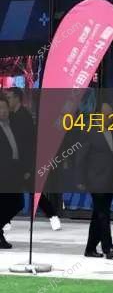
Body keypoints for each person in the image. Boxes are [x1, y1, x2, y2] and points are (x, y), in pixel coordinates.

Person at [75, 101, 113, 259]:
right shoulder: (90, 131)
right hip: (96, 179)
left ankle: (90, 248)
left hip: (110, 179)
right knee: (103, 213)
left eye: (111, 115)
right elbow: (81, 157)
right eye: (107, 115)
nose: (110, 118)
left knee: (99, 214)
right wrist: (80, 179)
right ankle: (108, 248)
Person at [6, 87, 61, 231]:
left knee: (34, 192)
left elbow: (30, 145)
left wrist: (28, 168)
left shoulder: (25, 117)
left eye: (9, 97)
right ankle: (6, 220)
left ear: (17, 98)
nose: (7, 100)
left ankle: (53, 216)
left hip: (25, 163)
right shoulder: (9, 117)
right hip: (13, 162)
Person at [0, 96, 28, 249]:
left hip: (14, 172)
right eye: (0, 109)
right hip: (3, 173)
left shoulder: (12, 125)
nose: (3, 111)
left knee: (18, 203)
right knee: (5, 204)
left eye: (5, 108)